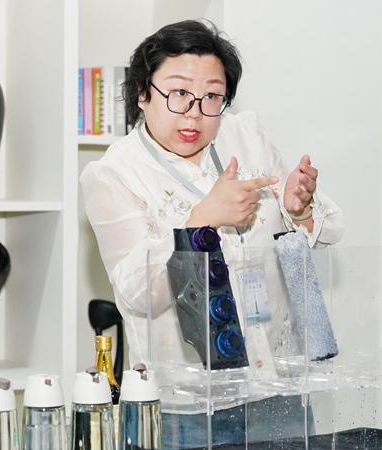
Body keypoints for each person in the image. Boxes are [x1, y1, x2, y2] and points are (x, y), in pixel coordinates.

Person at [80, 19, 344, 448]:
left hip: (277, 384)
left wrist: (299, 208)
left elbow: (328, 229)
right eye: (179, 93)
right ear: (143, 93)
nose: (195, 113)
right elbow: (137, 294)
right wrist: (202, 219)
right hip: (186, 404)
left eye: (212, 97)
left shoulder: (245, 134)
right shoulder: (113, 174)